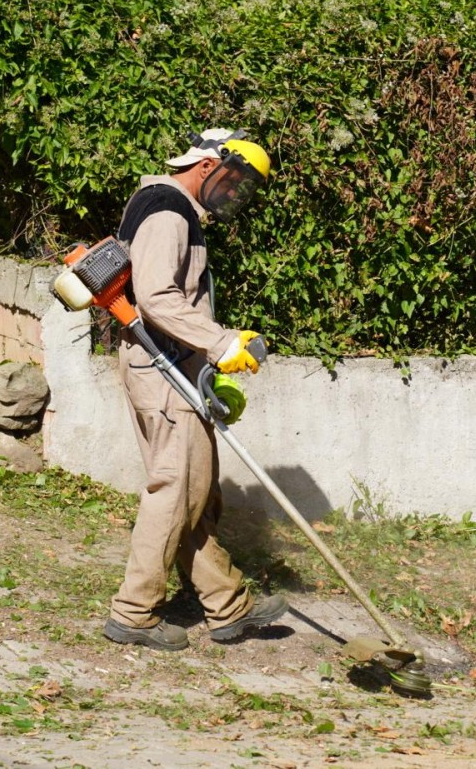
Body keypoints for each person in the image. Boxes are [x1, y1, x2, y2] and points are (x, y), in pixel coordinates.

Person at [104, 128, 288, 651]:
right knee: (176, 492)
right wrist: (221, 343)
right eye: (233, 180)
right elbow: (158, 298)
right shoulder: (167, 210)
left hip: (172, 367)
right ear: (208, 165)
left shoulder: (170, 207)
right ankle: (134, 613)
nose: (233, 193)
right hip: (162, 369)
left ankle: (226, 605)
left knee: (195, 491)